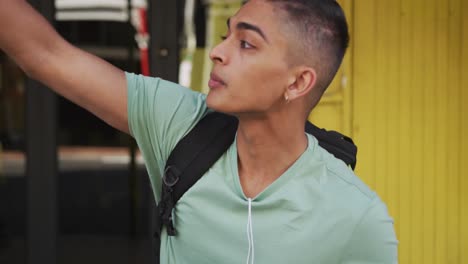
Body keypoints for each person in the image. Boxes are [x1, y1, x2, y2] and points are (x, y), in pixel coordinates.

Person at [0, 0, 398, 263]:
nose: (218, 51)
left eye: (246, 44)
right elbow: (46, 55)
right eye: (227, 34)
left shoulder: (357, 217)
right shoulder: (180, 124)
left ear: (297, 83)